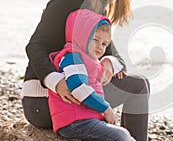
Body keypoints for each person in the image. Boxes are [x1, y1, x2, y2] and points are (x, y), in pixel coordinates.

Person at [21, 0, 149, 141]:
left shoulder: (97, 13)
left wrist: (108, 63)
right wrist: (56, 82)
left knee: (140, 85)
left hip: (81, 91)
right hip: (44, 99)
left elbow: (118, 58)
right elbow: (35, 45)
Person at [48, 9, 134, 140]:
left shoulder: (90, 59)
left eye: (104, 44)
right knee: (121, 136)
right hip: (74, 122)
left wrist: (112, 63)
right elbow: (79, 87)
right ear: (81, 36)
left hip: (86, 118)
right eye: (95, 40)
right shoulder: (72, 57)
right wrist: (106, 109)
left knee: (121, 133)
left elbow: (106, 71)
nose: (100, 46)